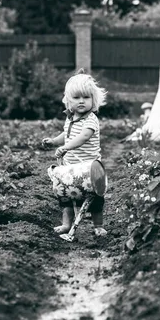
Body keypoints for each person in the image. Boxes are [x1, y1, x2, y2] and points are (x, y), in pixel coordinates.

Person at [42, 71, 108, 236]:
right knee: (66, 197)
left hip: (89, 169)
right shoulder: (70, 118)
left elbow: (82, 137)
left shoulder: (91, 119)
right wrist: (55, 141)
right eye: (76, 98)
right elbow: (67, 134)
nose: (81, 101)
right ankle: (66, 224)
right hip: (70, 168)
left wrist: (66, 147)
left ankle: (98, 226)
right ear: (68, 101)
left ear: (93, 100)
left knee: (95, 200)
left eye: (86, 98)